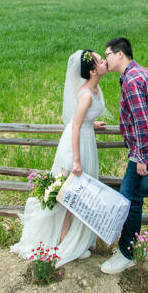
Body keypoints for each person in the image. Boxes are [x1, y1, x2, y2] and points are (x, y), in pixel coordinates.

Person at [10, 50, 109, 267]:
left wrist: (91, 123)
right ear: (92, 71)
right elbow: (74, 125)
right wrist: (76, 160)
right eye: (101, 61)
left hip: (85, 138)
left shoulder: (95, 88)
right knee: (71, 193)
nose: (105, 62)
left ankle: (73, 237)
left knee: (80, 194)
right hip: (76, 145)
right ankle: (64, 239)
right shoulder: (85, 94)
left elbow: (80, 119)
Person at [99, 37, 148, 275]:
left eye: (108, 55)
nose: (106, 59)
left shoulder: (132, 81)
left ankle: (126, 254)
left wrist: (141, 157)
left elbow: (143, 124)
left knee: (129, 200)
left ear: (120, 55)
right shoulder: (139, 72)